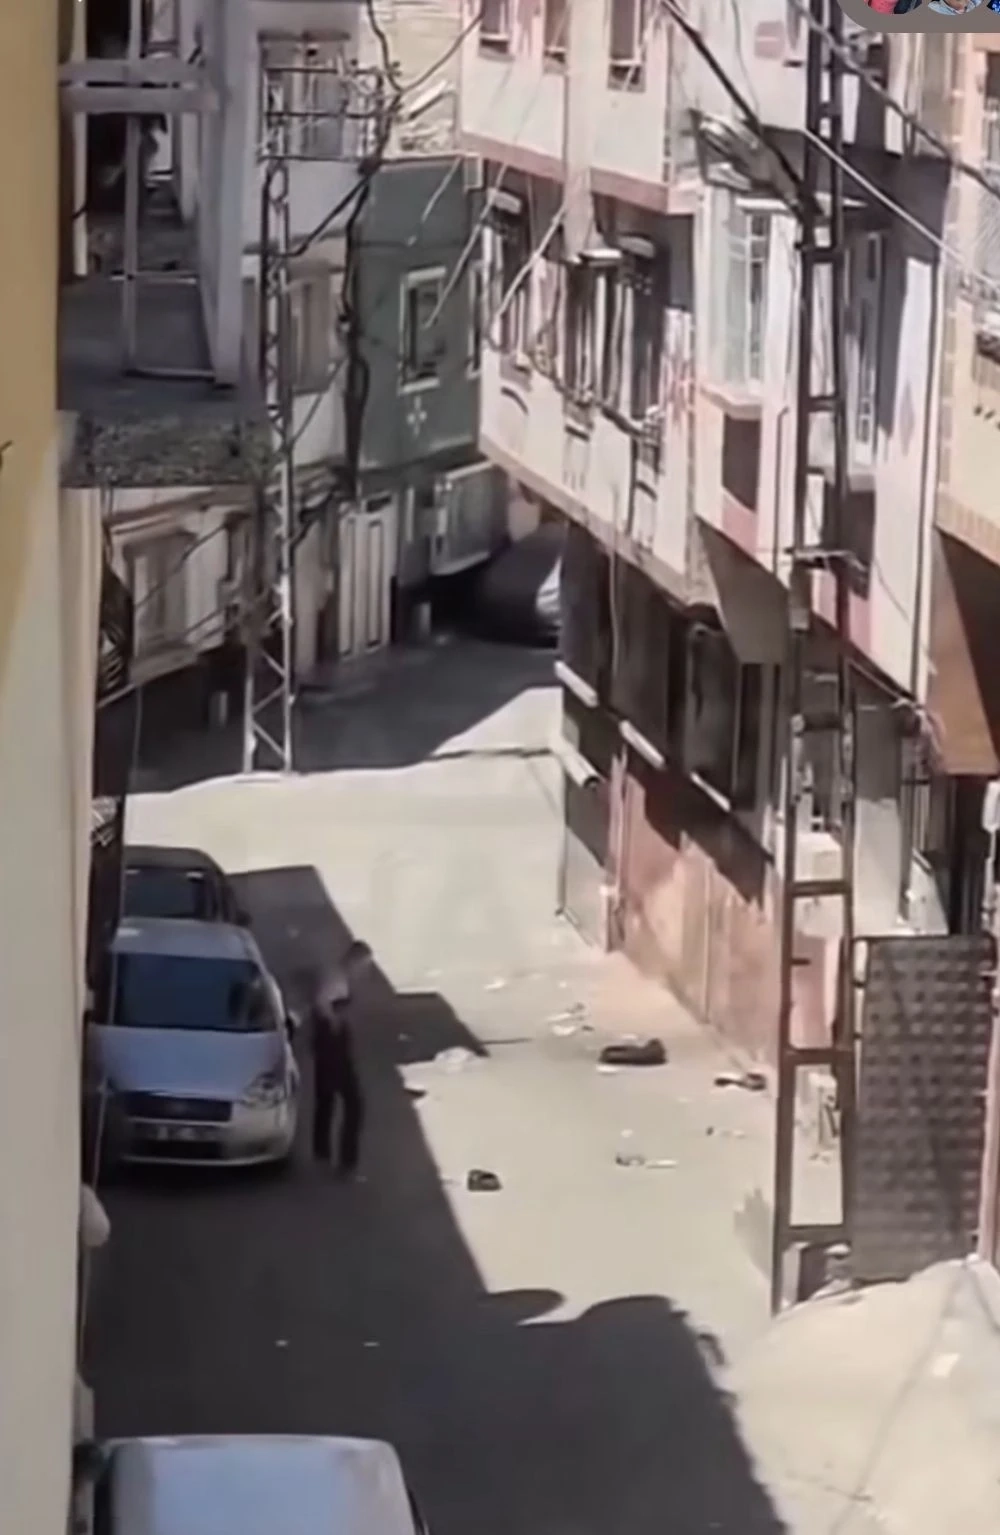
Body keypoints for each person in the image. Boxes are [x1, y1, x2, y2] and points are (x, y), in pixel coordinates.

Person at [308, 969, 365, 1176]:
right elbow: (322, 1004)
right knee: (353, 1104)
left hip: (327, 1045)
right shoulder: (338, 981)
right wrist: (333, 1020)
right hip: (333, 1048)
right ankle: (345, 1161)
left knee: (326, 1100)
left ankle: (322, 1152)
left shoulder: (337, 978)